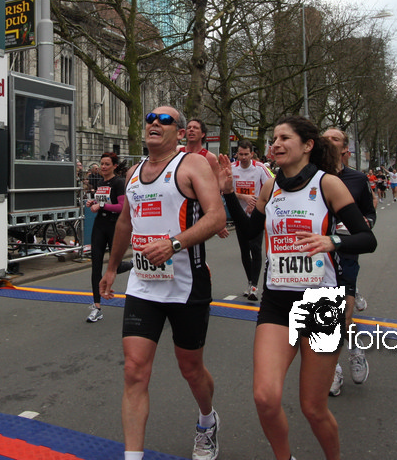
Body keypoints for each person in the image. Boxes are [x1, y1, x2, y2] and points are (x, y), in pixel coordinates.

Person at [219, 116, 377, 460]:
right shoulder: (270, 187)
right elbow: (249, 232)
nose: (275, 144)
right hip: (277, 300)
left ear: (307, 145)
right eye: (274, 138)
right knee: (265, 397)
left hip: (321, 303)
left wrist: (332, 241)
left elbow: (367, 239)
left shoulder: (328, 184)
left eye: (284, 138)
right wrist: (229, 193)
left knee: (313, 408)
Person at [99, 107, 226, 460]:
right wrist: (111, 268)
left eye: (165, 120)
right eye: (151, 118)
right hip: (143, 283)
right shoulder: (134, 173)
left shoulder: (191, 165)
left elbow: (217, 216)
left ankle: (207, 420)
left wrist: (174, 244)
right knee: (134, 370)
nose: (155, 123)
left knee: (191, 369)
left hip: (186, 283)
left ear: (181, 133)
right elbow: (125, 223)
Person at [321, 128, 377, 397]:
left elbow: (369, 213)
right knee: (324, 317)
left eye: (335, 138)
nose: (328, 141)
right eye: (325, 138)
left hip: (346, 250)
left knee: (343, 317)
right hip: (318, 255)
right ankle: (333, 369)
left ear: (345, 149)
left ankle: (354, 351)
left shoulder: (357, 179)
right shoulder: (313, 177)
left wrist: (366, 223)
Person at [84, 152, 129, 323]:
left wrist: (101, 205)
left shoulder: (119, 182)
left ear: (114, 166)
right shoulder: (101, 183)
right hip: (99, 225)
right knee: (96, 265)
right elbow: (102, 204)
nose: (103, 167)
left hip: (114, 226)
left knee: (116, 266)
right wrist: (93, 203)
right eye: (101, 164)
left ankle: (132, 265)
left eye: (107, 164)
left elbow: (121, 206)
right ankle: (97, 307)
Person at [230, 139, 272, 301]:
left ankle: (254, 286)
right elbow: (225, 190)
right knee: (244, 250)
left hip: (256, 213)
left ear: (252, 154)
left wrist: (255, 203)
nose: (243, 157)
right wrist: (243, 197)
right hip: (240, 214)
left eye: (246, 154)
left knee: (255, 248)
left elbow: (272, 187)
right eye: (240, 154)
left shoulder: (260, 168)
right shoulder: (232, 168)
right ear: (237, 154)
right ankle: (249, 281)